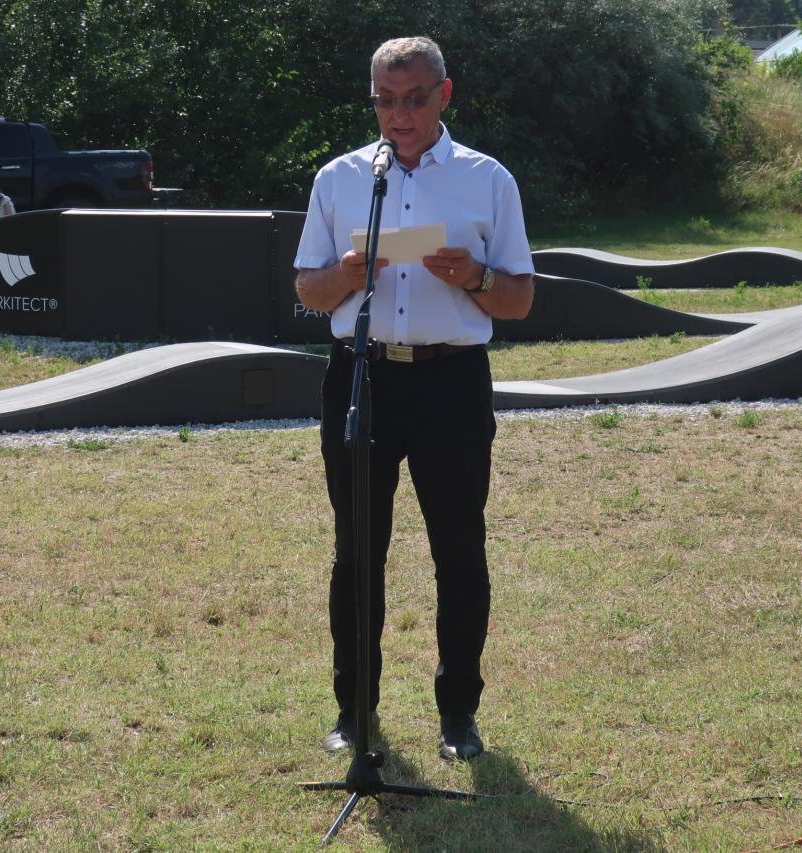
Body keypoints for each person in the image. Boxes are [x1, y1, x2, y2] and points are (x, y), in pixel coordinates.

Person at [294, 36, 534, 762]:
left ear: (444, 95)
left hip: (450, 382)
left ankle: (458, 714)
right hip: (360, 378)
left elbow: (519, 300)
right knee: (356, 553)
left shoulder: (487, 180)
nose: (399, 115)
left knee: (459, 551)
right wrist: (344, 275)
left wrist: (476, 277)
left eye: (414, 99)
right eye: (386, 101)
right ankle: (354, 713)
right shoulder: (341, 179)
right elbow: (308, 291)